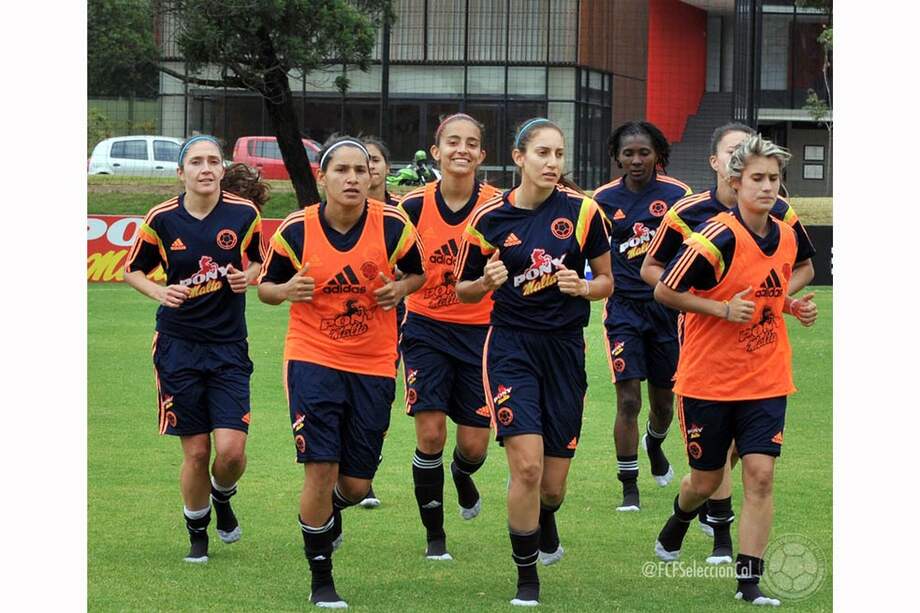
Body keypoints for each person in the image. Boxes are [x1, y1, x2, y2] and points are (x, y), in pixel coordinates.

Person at [257, 136, 425, 609]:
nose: (352, 178)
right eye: (341, 170)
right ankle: (321, 579)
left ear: (372, 177)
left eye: (360, 170)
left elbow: (418, 273)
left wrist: (400, 290)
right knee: (320, 468)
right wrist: (286, 290)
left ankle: (332, 509)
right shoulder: (296, 229)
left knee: (355, 484)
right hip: (312, 357)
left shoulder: (393, 225)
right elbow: (265, 289)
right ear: (322, 177)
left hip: (374, 362)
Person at [651, 134, 818, 606]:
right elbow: (664, 290)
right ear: (735, 181)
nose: (767, 187)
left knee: (760, 476)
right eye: (757, 178)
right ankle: (681, 517)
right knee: (706, 481)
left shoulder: (786, 234)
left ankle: (749, 584)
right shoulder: (714, 236)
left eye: (774, 179)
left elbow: (770, 287)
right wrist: (722, 310)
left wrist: (789, 305)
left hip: (767, 376)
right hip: (709, 380)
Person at [454, 118, 612, 606]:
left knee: (552, 488)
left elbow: (607, 281)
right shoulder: (490, 219)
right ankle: (527, 580)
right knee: (526, 468)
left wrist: (584, 287)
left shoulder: (584, 212)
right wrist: (486, 282)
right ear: (519, 157)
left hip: (565, 351)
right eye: (542, 153)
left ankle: (543, 515)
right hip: (510, 348)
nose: (552, 162)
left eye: (559, 154)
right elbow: (462, 290)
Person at [123, 136, 265, 563]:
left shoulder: (245, 213)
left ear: (223, 169)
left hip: (228, 347)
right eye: (196, 162)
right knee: (198, 450)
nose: (206, 168)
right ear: (181, 171)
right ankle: (198, 535)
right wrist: (159, 292)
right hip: (178, 346)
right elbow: (133, 270)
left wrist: (247, 277)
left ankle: (222, 494)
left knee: (231, 452)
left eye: (213, 161)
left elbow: (259, 261)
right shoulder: (162, 218)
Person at [397, 113, 502, 560]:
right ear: (436, 152)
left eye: (471, 143)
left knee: (473, 445)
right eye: (453, 142)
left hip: (483, 333)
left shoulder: (499, 206)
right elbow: (393, 263)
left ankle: (462, 473)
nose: (462, 149)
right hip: (426, 330)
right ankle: (435, 536)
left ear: (482, 154)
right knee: (431, 435)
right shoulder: (412, 208)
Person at [591, 121, 692, 512]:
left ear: (657, 155)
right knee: (629, 400)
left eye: (644, 152)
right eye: (628, 153)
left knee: (663, 405)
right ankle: (629, 487)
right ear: (617, 157)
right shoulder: (603, 199)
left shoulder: (678, 196)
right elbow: (591, 247)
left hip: (667, 310)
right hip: (623, 311)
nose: (636, 160)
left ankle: (655, 442)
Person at [358, 135, 402, 510]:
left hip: (394, 320)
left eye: (375, 159)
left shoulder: (403, 213)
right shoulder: (331, 213)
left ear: (387, 167)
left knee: (378, 399)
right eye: (362, 160)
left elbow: (421, 265)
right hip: (344, 321)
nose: (369, 167)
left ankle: (365, 468)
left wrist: (402, 283)